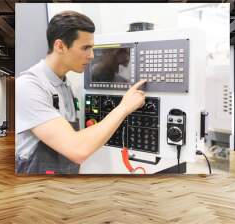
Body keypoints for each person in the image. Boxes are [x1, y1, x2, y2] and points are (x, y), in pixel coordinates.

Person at [16, 11, 146, 174]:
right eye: (85, 48)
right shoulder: (29, 87)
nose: (91, 56)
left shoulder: (65, 85)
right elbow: (77, 149)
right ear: (60, 46)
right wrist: (124, 108)